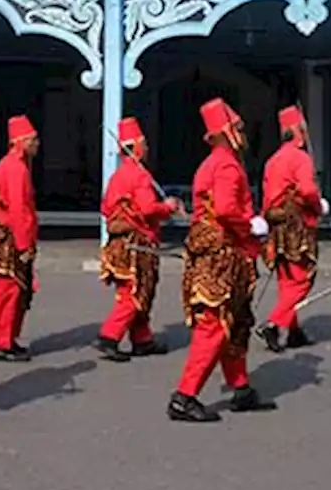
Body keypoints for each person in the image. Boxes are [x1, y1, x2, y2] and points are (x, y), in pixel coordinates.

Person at [170, 97, 277, 422]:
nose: (244, 134)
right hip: (223, 256)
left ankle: (240, 387)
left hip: (221, 255)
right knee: (215, 326)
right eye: (240, 128)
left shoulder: (213, 163)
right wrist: (251, 225)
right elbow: (227, 209)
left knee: (236, 324)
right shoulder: (228, 166)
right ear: (227, 132)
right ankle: (184, 396)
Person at [94, 117, 181, 362]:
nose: (148, 148)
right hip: (137, 243)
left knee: (140, 291)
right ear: (137, 148)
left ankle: (142, 339)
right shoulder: (139, 176)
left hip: (119, 242)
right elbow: (147, 208)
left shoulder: (118, 176)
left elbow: (105, 208)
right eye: (144, 143)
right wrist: (167, 206)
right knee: (134, 292)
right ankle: (109, 336)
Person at [257, 105, 327, 353]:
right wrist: (318, 206)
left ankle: (293, 330)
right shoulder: (300, 158)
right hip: (296, 223)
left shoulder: (272, 160)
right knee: (302, 279)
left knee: (287, 278)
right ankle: (275, 324)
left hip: (276, 224)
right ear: (298, 131)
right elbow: (307, 190)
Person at [0, 115, 40, 362]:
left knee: (15, 293)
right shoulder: (16, 168)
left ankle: (8, 339)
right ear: (21, 141)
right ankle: (3, 343)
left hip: (11, 235)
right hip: (11, 239)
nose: (37, 144)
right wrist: (25, 245)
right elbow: (19, 209)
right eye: (34, 140)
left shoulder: (14, 165)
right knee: (9, 292)